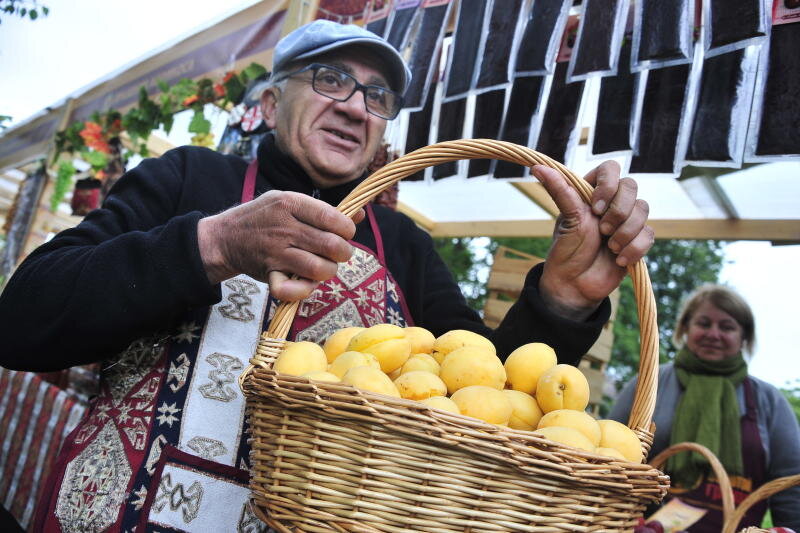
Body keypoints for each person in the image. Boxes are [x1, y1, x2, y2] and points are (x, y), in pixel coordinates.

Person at [0, 20, 653, 532]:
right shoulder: (187, 180)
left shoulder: (404, 244)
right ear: (271, 97)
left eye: (376, 95)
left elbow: (487, 399)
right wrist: (212, 244)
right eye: (330, 77)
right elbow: (21, 319)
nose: (355, 106)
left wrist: (560, 300)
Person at [610, 285, 800, 531]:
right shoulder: (650, 382)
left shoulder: (769, 401)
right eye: (703, 323)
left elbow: (790, 488)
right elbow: (610, 454)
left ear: (744, 336)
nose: (714, 333)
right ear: (686, 328)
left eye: (727, 327)